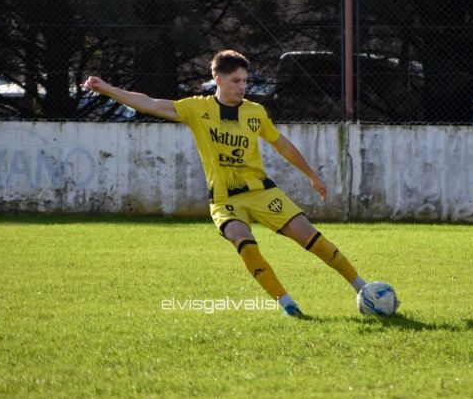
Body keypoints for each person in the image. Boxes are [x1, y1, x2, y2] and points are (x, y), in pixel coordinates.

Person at [82, 50, 367, 318]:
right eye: (236, 81)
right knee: (243, 240)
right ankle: (287, 304)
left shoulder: (255, 112)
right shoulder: (197, 109)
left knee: (311, 238)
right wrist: (108, 89)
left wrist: (312, 176)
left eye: (245, 80)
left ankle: (363, 288)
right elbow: (151, 104)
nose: (242, 86)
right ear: (218, 80)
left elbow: (281, 143)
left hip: (262, 191)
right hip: (224, 199)